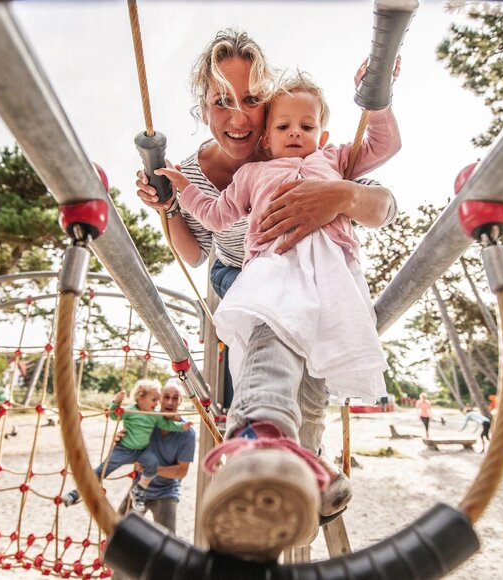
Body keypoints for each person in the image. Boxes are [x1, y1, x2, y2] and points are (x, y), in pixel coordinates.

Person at [135, 28, 399, 531]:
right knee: (270, 349)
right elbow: (195, 248)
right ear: (203, 104)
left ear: (269, 105)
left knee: (314, 370)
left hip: (321, 271)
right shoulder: (205, 171)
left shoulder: (309, 150)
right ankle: (260, 443)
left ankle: (304, 459)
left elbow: (382, 200)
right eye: (221, 101)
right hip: (248, 273)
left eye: (252, 100)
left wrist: (340, 195)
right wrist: (171, 201)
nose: (237, 116)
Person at [62, 379, 192, 511]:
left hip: (141, 452)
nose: (157, 403)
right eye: (155, 400)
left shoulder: (155, 415)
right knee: (102, 470)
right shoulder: (130, 411)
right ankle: (75, 493)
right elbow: (112, 415)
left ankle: (139, 491)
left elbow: (167, 425)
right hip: (124, 449)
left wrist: (182, 426)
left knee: (152, 463)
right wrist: (116, 402)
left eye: (175, 398)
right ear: (141, 399)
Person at [116, 379, 196, 535]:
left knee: (167, 542)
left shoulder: (187, 433)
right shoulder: (147, 421)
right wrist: (121, 441)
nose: (170, 402)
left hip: (166, 492)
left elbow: (181, 471)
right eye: (166, 396)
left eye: (175, 398)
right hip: (139, 488)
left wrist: (152, 469)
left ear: (180, 401)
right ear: (160, 399)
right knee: (116, 531)